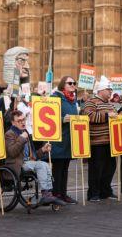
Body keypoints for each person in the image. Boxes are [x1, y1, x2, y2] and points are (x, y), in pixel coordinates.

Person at [4, 110, 62, 205]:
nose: (23, 122)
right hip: (18, 164)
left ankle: (49, 192)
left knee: (46, 165)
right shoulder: (10, 134)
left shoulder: (25, 132)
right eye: (19, 121)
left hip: (29, 162)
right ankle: (46, 194)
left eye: (24, 119)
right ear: (13, 123)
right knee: (42, 165)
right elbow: (12, 152)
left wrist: (43, 150)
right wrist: (22, 138)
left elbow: (33, 156)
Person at [82, 76, 117, 202]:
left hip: (110, 141)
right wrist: (108, 116)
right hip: (97, 141)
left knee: (110, 168)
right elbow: (88, 116)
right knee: (96, 169)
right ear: (101, 90)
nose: (111, 92)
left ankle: (105, 190)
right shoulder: (91, 102)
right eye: (109, 89)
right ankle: (93, 193)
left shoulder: (110, 104)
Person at [50, 76, 78, 204]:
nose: (73, 85)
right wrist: (62, 119)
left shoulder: (72, 98)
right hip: (58, 139)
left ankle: (64, 194)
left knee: (65, 168)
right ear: (63, 85)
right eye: (70, 83)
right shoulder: (55, 98)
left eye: (74, 83)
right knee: (58, 169)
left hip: (69, 139)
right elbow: (48, 117)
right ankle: (56, 194)